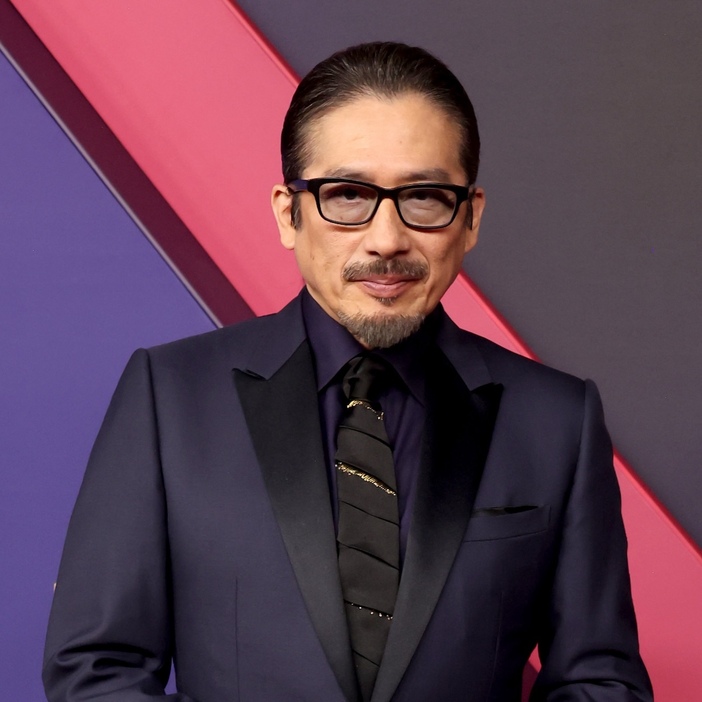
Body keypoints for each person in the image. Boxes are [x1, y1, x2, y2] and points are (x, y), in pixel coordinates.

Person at [43, 42, 653, 702]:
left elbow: (601, 683)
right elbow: (96, 673)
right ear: (288, 212)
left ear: (470, 216)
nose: (386, 239)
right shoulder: (169, 399)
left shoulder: (557, 421)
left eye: (424, 197)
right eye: (347, 195)